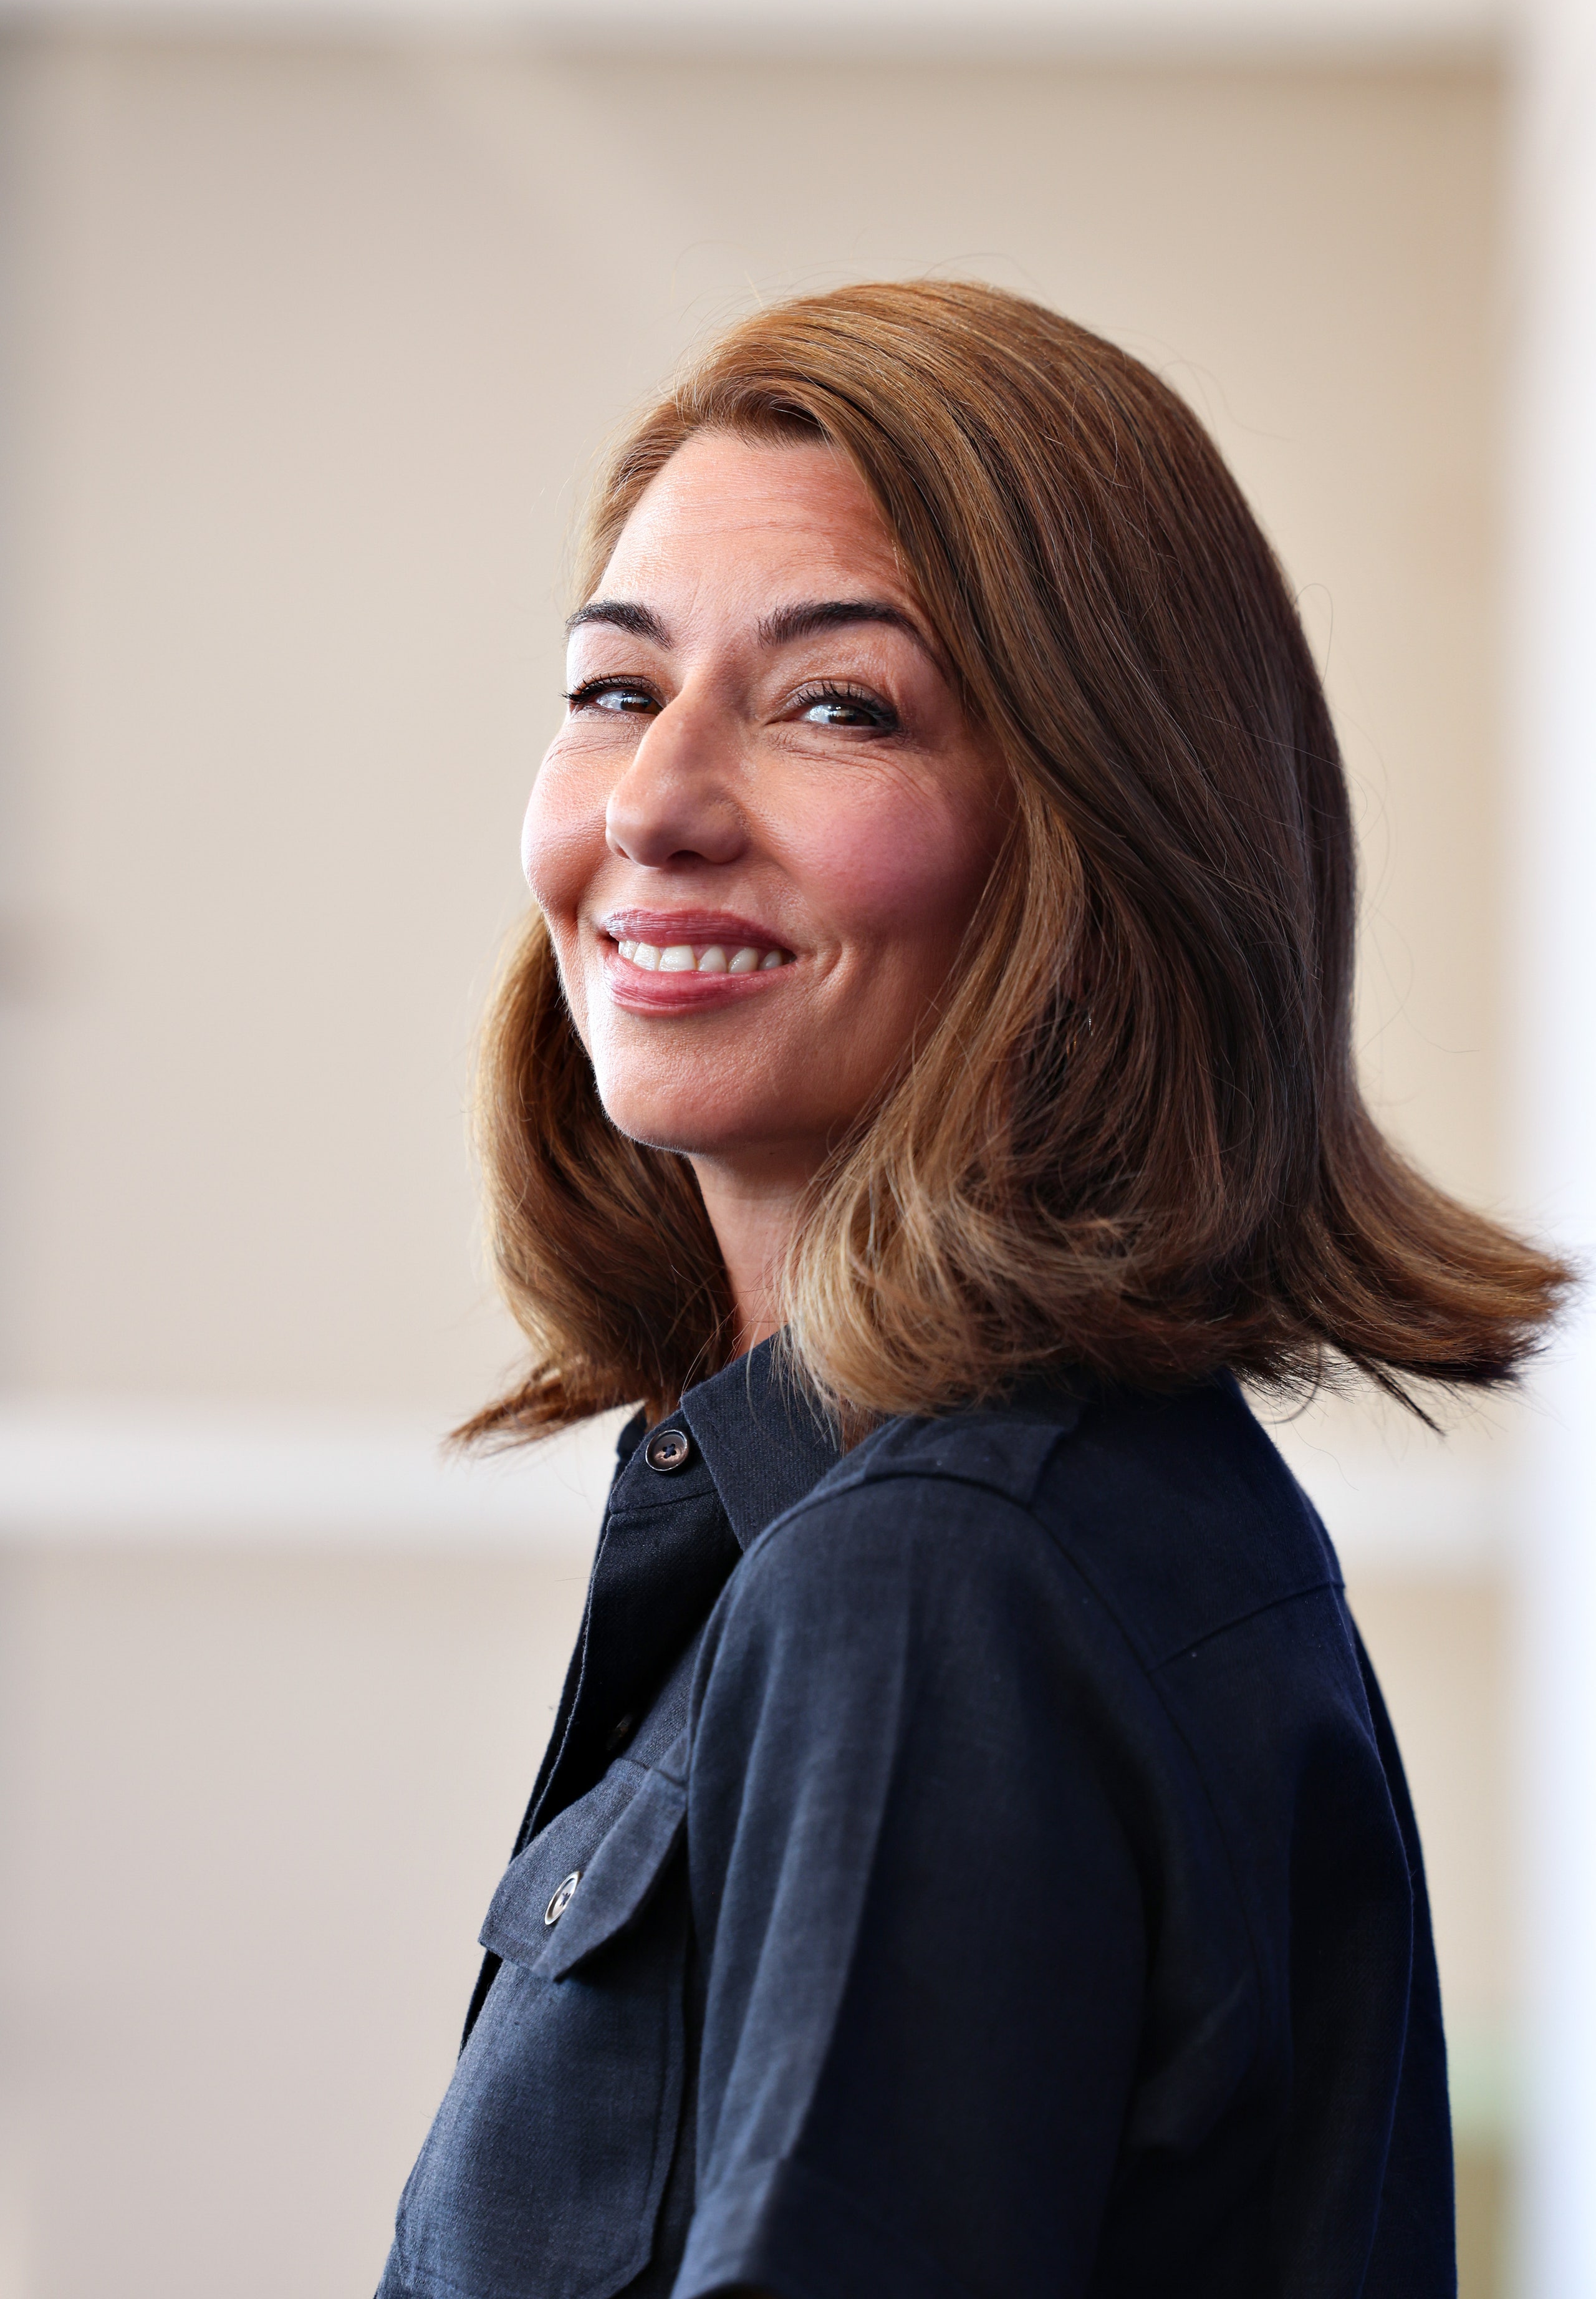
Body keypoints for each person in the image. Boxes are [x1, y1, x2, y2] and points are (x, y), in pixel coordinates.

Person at [374, 282, 1566, 2299]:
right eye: (612, 689)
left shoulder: (938, 1578)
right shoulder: (1054, 1525)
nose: (655, 802)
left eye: (839, 705)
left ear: (1100, 839)